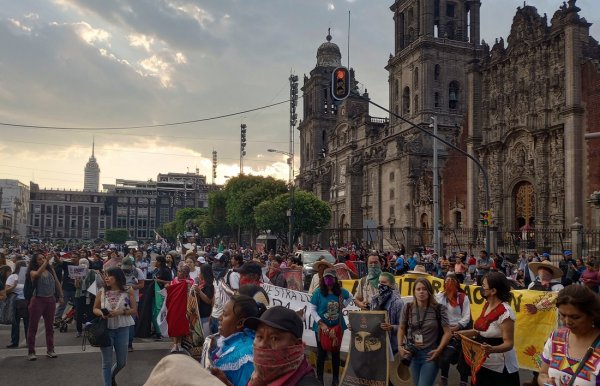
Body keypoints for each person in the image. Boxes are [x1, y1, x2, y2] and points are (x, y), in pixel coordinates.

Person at [457, 272, 519, 386]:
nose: (481, 289)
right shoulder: (487, 305)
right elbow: (480, 331)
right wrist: (463, 333)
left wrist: (491, 349)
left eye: (484, 286)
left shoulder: (506, 313)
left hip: (499, 368)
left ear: (493, 291)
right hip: (481, 362)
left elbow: (509, 344)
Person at [538, 285, 600, 386]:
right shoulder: (556, 338)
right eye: (563, 315)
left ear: (592, 314)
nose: (567, 322)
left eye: (575, 317)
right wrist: (546, 382)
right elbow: (543, 374)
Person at [243, 306, 320, 386]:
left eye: (274, 338)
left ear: (296, 345)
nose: (262, 345)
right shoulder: (257, 376)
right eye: (259, 336)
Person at [397, 277, 451, 386]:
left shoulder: (439, 308)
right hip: (412, 353)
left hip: (430, 355)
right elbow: (401, 328)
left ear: (429, 291)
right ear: (414, 292)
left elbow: (448, 332)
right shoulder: (407, 307)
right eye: (418, 289)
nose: (421, 291)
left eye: (424, 289)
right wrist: (400, 346)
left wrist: (439, 350)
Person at [208, 295, 266, 386]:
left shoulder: (246, 358)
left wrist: (225, 383)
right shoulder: (230, 341)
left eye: (225, 314)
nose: (220, 318)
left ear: (240, 323)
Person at [93, 267, 137, 386]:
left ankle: (111, 376)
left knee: (122, 362)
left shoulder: (128, 290)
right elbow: (95, 309)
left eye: (109, 275)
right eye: (105, 275)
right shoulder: (101, 291)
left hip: (123, 329)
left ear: (117, 277)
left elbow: (134, 310)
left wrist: (120, 312)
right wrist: (102, 313)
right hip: (106, 330)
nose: (106, 278)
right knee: (106, 362)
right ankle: (108, 383)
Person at [310, 268, 352, 386]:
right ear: (323, 279)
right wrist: (321, 323)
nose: (328, 280)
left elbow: (350, 296)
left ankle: (335, 379)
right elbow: (312, 309)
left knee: (335, 353)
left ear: (335, 279)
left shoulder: (340, 292)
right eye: (326, 277)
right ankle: (320, 380)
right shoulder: (318, 292)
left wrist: (343, 305)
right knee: (321, 354)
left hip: (337, 327)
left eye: (331, 278)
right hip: (321, 328)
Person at [435, 274, 471, 386]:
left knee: (463, 358)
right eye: (447, 280)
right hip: (444, 331)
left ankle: (463, 381)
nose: (449, 282)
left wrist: (458, 327)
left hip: (460, 330)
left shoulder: (463, 297)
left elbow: (467, 316)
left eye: (452, 280)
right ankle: (443, 378)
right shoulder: (440, 296)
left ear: (457, 283)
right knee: (445, 356)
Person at [26, 252, 64, 361]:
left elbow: (57, 282)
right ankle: (31, 351)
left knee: (50, 327)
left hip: (50, 300)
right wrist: (47, 261)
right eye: (39, 259)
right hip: (38, 300)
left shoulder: (50, 269)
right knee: (33, 327)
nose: (42, 260)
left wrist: (60, 295)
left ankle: (50, 350)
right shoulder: (32, 271)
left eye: (43, 258)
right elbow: (37, 275)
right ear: (35, 261)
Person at [369, 272, 404, 361]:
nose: (380, 285)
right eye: (379, 282)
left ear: (392, 285)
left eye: (384, 283)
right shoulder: (374, 299)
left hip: (392, 347)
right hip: (375, 344)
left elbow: (403, 326)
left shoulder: (398, 303)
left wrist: (391, 327)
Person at [4, 261, 28, 348]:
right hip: (16, 301)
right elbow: (6, 291)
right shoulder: (12, 277)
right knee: (15, 323)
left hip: (26, 301)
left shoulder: (28, 276)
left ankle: (29, 342)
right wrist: (14, 286)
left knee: (27, 322)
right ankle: (14, 342)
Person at [193, 263, 215, 337]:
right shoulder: (202, 284)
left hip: (206, 315)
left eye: (200, 272)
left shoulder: (209, 285)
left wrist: (199, 291)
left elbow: (208, 300)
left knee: (207, 337)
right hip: (201, 314)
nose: (199, 274)